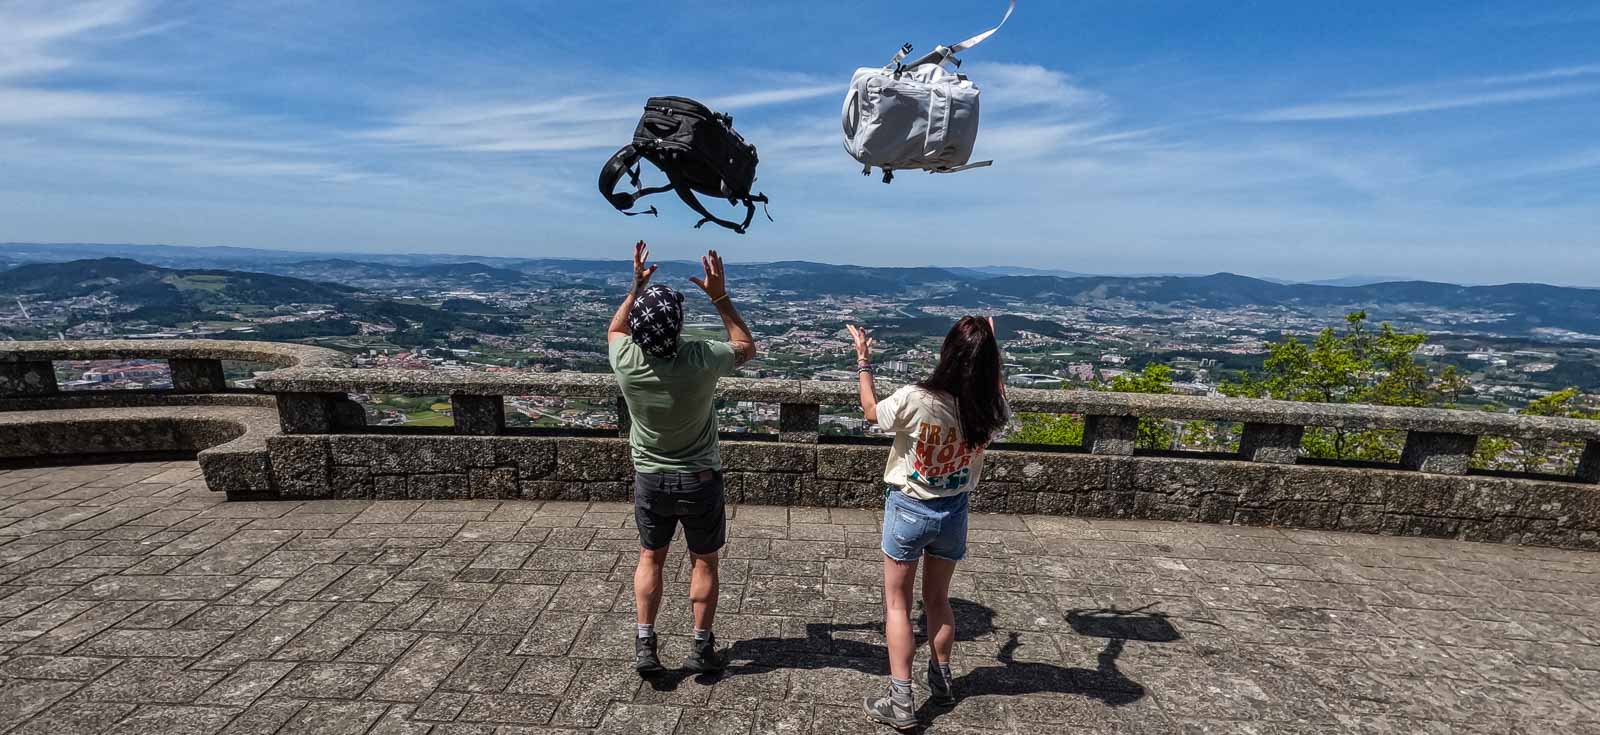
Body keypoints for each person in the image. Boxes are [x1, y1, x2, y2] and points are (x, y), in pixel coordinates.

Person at [847, 317, 1009, 730]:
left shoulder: (917, 398)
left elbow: (870, 412)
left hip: (910, 508)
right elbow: (997, 390)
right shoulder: (989, 404)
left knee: (898, 605)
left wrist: (863, 362)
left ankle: (900, 700)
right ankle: (941, 679)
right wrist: (994, 350)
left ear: (947, 352)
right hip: (954, 511)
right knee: (938, 600)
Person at [607, 241, 756, 678]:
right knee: (704, 560)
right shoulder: (701, 357)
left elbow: (615, 330)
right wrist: (720, 296)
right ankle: (700, 646)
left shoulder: (626, 359)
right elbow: (746, 345)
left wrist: (635, 288)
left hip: (651, 477)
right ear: (678, 325)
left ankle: (645, 641)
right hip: (700, 479)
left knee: (650, 558)